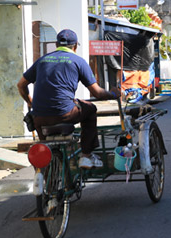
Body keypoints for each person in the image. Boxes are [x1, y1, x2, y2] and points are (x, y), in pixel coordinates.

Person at [17, 29, 119, 169]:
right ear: (75, 46)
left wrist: (31, 103)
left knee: (46, 155)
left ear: (56, 44)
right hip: (64, 114)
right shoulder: (78, 61)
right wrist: (113, 94)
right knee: (90, 109)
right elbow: (97, 93)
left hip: (39, 118)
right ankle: (86, 155)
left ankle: (46, 182)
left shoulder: (42, 60)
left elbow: (21, 85)